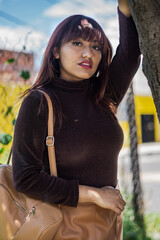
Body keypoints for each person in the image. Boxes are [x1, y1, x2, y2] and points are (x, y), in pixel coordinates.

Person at [12, 0, 141, 239]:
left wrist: (125, 7)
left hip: (108, 223)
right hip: (63, 225)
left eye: (96, 47)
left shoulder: (103, 94)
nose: (87, 53)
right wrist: (94, 195)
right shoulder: (39, 102)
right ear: (55, 51)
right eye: (77, 43)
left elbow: (131, 54)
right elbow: (25, 179)